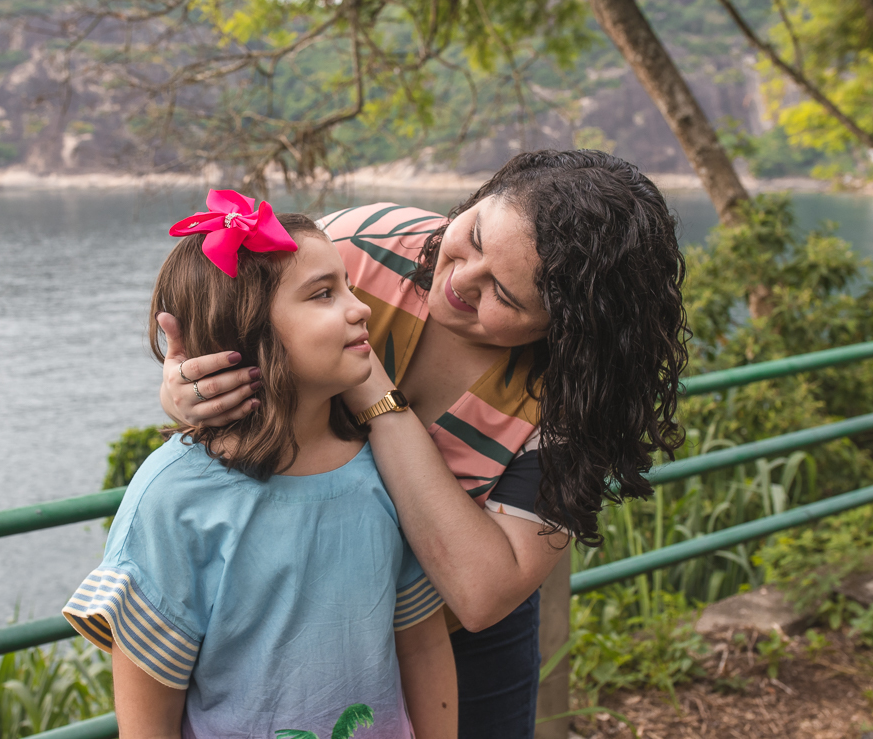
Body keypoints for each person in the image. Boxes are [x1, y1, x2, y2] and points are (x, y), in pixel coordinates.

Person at [158, 151, 689, 738]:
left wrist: (376, 398)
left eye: (505, 297)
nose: (460, 282)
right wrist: (190, 393)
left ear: (565, 327)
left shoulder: (574, 400)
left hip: (461, 645)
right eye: (476, 238)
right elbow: (226, 346)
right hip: (299, 622)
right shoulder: (356, 247)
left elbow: (482, 593)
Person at [64, 190, 457, 739]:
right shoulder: (172, 498)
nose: (360, 306)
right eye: (323, 294)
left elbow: (424, 642)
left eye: (347, 283)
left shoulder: (387, 467)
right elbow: (149, 711)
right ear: (248, 331)